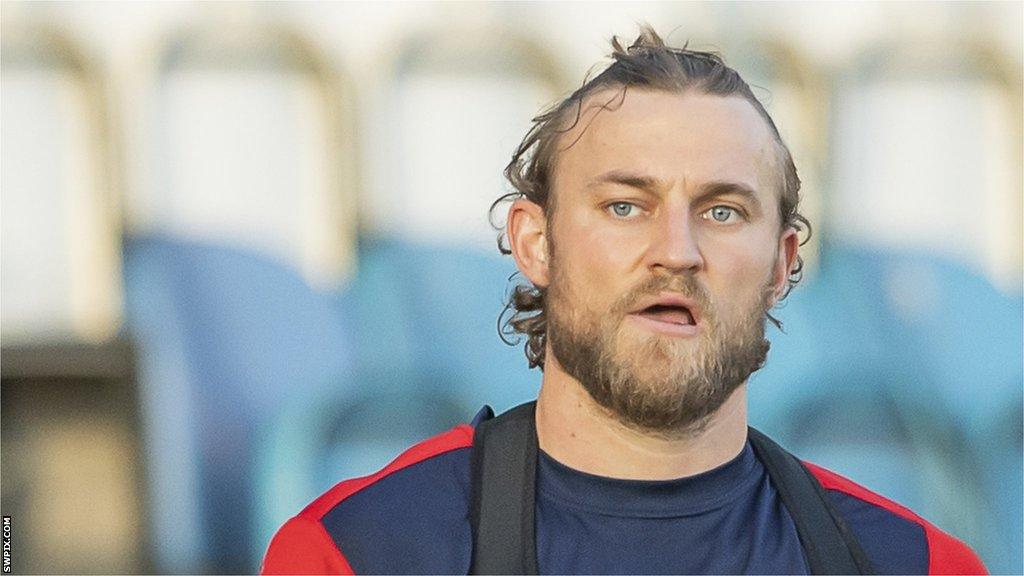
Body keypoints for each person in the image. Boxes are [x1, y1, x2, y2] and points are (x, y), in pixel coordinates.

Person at [261, 26, 986, 575]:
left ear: (782, 262)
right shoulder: (358, 552)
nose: (676, 249)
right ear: (535, 242)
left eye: (723, 211)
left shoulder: (913, 563)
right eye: (624, 206)